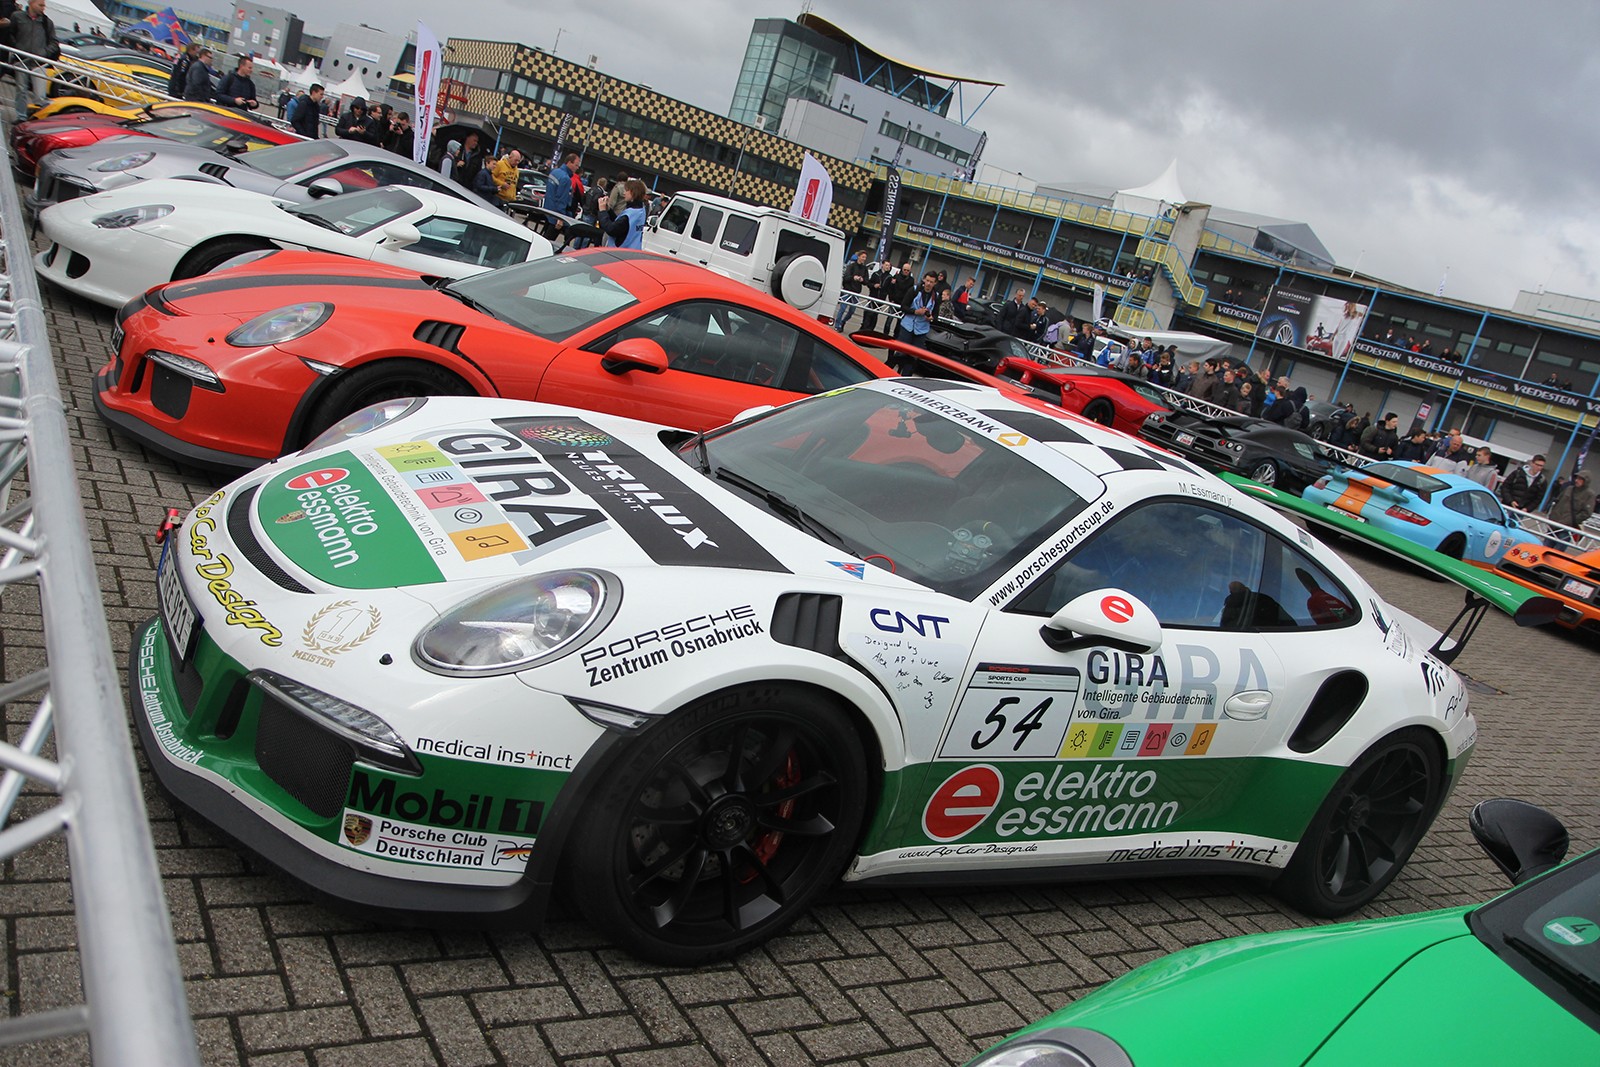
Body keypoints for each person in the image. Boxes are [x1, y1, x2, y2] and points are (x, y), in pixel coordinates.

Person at [12, 0, 57, 104]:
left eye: (44, 5)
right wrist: (16, 48)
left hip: (39, 63)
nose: (43, 8)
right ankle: (21, 117)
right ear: (31, 3)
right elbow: (11, 34)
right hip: (21, 59)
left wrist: (44, 53)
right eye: (40, 5)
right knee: (21, 90)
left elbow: (54, 42)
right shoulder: (17, 16)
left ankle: (37, 116)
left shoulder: (47, 22)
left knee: (40, 96)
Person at [600, 178, 648, 249]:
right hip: (633, 251)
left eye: (626, 191)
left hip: (619, 252)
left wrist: (602, 211)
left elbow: (612, 230)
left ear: (633, 193)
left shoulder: (630, 214)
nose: (624, 193)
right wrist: (609, 210)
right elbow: (620, 224)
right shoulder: (641, 210)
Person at [897, 272, 939, 350]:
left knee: (915, 355)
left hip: (922, 331)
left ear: (935, 283)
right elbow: (903, 306)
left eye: (931, 282)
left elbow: (936, 315)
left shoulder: (936, 296)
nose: (928, 284)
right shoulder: (914, 290)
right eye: (927, 280)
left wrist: (931, 318)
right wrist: (915, 312)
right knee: (901, 351)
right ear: (924, 279)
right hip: (907, 327)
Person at [836, 249, 870, 331]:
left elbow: (866, 281)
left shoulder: (864, 269)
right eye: (863, 257)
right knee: (842, 309)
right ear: (859, 257)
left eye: (865, 257)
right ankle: (837, 324)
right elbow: (846, 278)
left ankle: (843, 321)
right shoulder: (851, 266)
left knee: (851, 311)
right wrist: (853, 278)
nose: (864, 259)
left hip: (856, 292)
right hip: (848, 290)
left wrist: (862, 280)